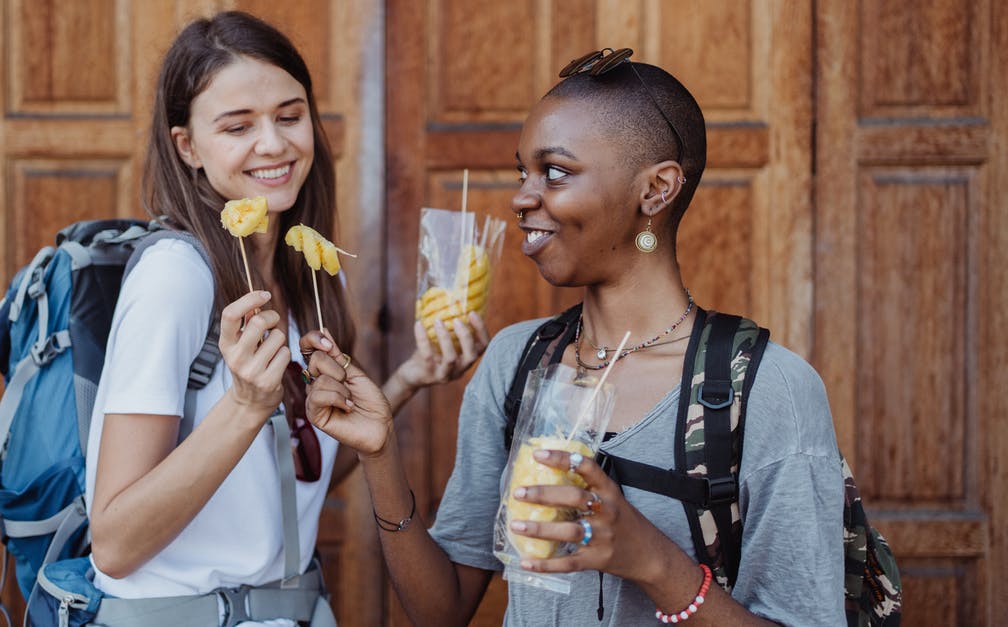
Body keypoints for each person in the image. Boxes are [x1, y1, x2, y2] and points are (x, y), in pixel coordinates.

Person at [300, 48, 844, 625]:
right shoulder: (518, 361)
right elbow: (440, 611)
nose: (521, 197)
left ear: (656, 190)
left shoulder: (766, 390)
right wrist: (379, 453)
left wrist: (653, 563)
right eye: (522, 172)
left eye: (554, 172)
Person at [84, 10, 488, 620]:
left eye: (290, 116)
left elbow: (301, 469)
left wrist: (409, 377)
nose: (273, 144)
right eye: (237, 126)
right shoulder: (177, 278)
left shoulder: (310, 272)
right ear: (186, 146)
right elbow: (114, 543)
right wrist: (246, 405)